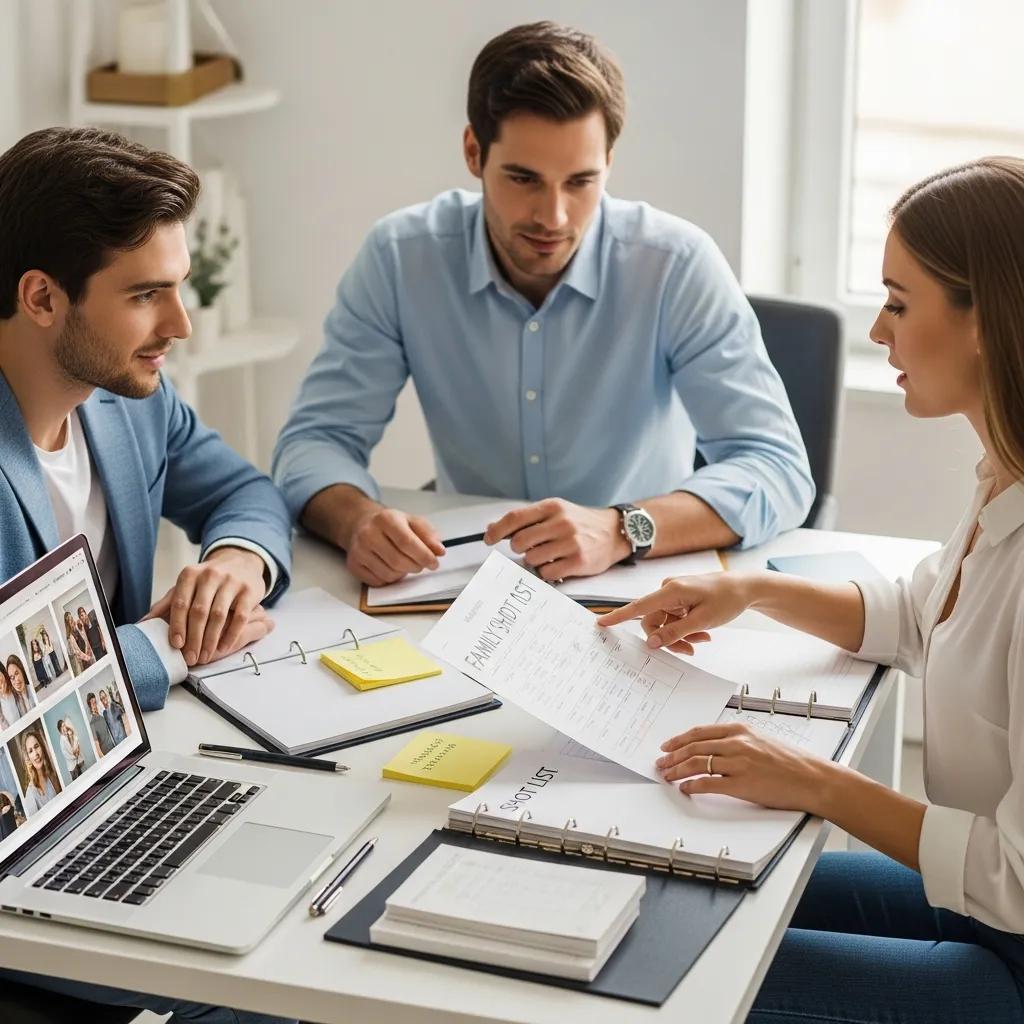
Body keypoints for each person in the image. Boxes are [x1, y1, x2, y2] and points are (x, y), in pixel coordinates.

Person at [598, 157, 1024, 1023]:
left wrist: (814, 782)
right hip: (989, 915)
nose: (877, 329)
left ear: (986, 316)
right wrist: (749, 590)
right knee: (686, 889)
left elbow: (1016, 881)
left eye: (900, 303)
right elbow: (920, 614)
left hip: (1010, 954)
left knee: (667, 968)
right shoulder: (1002, 477)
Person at [273, 21, 813, 590]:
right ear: (473, 152)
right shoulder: (401, 258)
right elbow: (314, 442)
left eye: (581, 181)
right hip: (469, 585)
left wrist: (622, 528)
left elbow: (777, 469)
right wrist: (357, 521)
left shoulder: (676, 264)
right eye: (524, 178)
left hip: (639, 582)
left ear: (610, 162)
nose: (552, 217)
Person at [0, 126, 295, 1024]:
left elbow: (245, 491)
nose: (180, 324)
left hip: (122, 785)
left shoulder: (132, 398)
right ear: (43, 297)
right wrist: (165, 645)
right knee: (277, 985)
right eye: (146, 295)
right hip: (21, 852)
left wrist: (234, 564)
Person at [19, 728, 61, 815]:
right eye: (30, 751)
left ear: (42, 747)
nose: (35, 754)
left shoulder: (53, 777)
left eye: (36, 747)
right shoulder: (30, 794)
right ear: (28, 758)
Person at [5, 655, 37, 721]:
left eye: (16, 673)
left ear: (22, 671)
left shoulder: (32, 689)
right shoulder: (13, 702)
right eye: (11, 677)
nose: (16, 680)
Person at [85, 691, 115, 759]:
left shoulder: (102, 716)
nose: (94, 705)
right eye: (92, 703)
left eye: (95, 702)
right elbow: (98, 749)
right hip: (107, 754)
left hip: (114, 747)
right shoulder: (92, 724)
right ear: (89, 706)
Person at [64, 609, 93, 675]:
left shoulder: (76, 627)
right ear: (67, 623)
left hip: (86, 653)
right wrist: (86, 657)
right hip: (82, 659)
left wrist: (87, 650)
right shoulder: (70, 636)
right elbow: (76, 651)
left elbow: (84, 638)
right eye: (69, 619)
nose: (71, 620)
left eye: (71, 617)